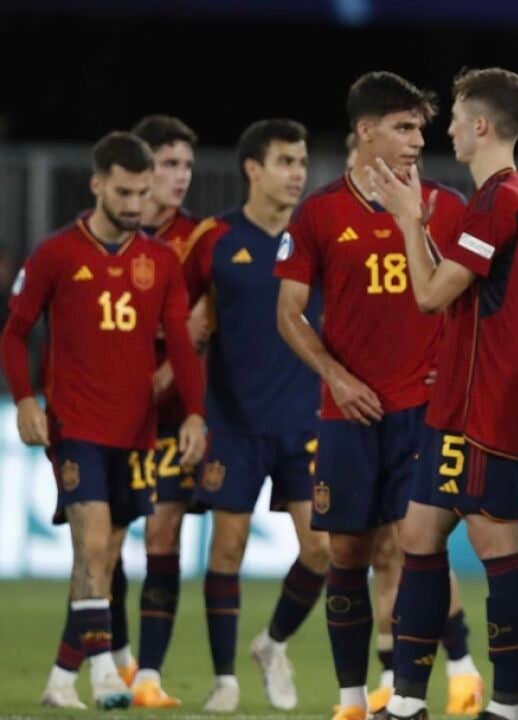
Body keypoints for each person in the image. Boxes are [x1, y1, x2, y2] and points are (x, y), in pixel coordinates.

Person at [273, 71, 470, 720]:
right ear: (365, 130)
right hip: (348, 413)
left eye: (420, 128)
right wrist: (335, 375)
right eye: (403, 127)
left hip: (424, 411)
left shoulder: (447, 206)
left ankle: (417, 692)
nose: (417, 140)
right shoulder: (320, 213)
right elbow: (290, 313)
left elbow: (473, 302)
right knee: (347, 553)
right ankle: (352, 700)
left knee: (417, 545)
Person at [1, 131, 206, 710]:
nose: (135, 204)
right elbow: (14, 333)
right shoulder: (56, 253)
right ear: (97, 185)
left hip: (136, 432)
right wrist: (25, 400)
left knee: (104, 558)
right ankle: (106, 675)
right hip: (76, 427)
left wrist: (194, 412)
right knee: (93, 545)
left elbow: (181, 347)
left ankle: (60, 680)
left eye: (142, 193)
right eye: (124, 193)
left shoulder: (159, 261)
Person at [370, 66, 518, 720]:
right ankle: (408, 700)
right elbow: (459, 285)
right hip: (465, 400)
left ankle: (507, 702)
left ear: (481, 126)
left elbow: (428, 294)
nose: (447, 132)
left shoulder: (498, 200)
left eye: (456, 120)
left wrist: (407, 221)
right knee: (418, 535)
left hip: (480, 404)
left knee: (497, 545)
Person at [177, 118, 327, 712]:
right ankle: (225, 681)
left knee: (322, 550)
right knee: (227, 549)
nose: (297, 173)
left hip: (303, 420)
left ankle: (273, 643)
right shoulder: (214, 238)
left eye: (302, 161)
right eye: (286, 161)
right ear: (253, 169)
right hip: (232, 423)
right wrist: (187, 334)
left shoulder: (316, 235)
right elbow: (174, 311)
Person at [124, 113, 206, 708]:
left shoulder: (198, 240)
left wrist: (162, 380)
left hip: (173, 415)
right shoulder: (105, 237)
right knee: (100, 540)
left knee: (163, 531)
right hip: (110, 414)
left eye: (186, 166)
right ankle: (114, 660)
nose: (180, 177)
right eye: (168, 164)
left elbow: (201, 327)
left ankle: (149, 674)